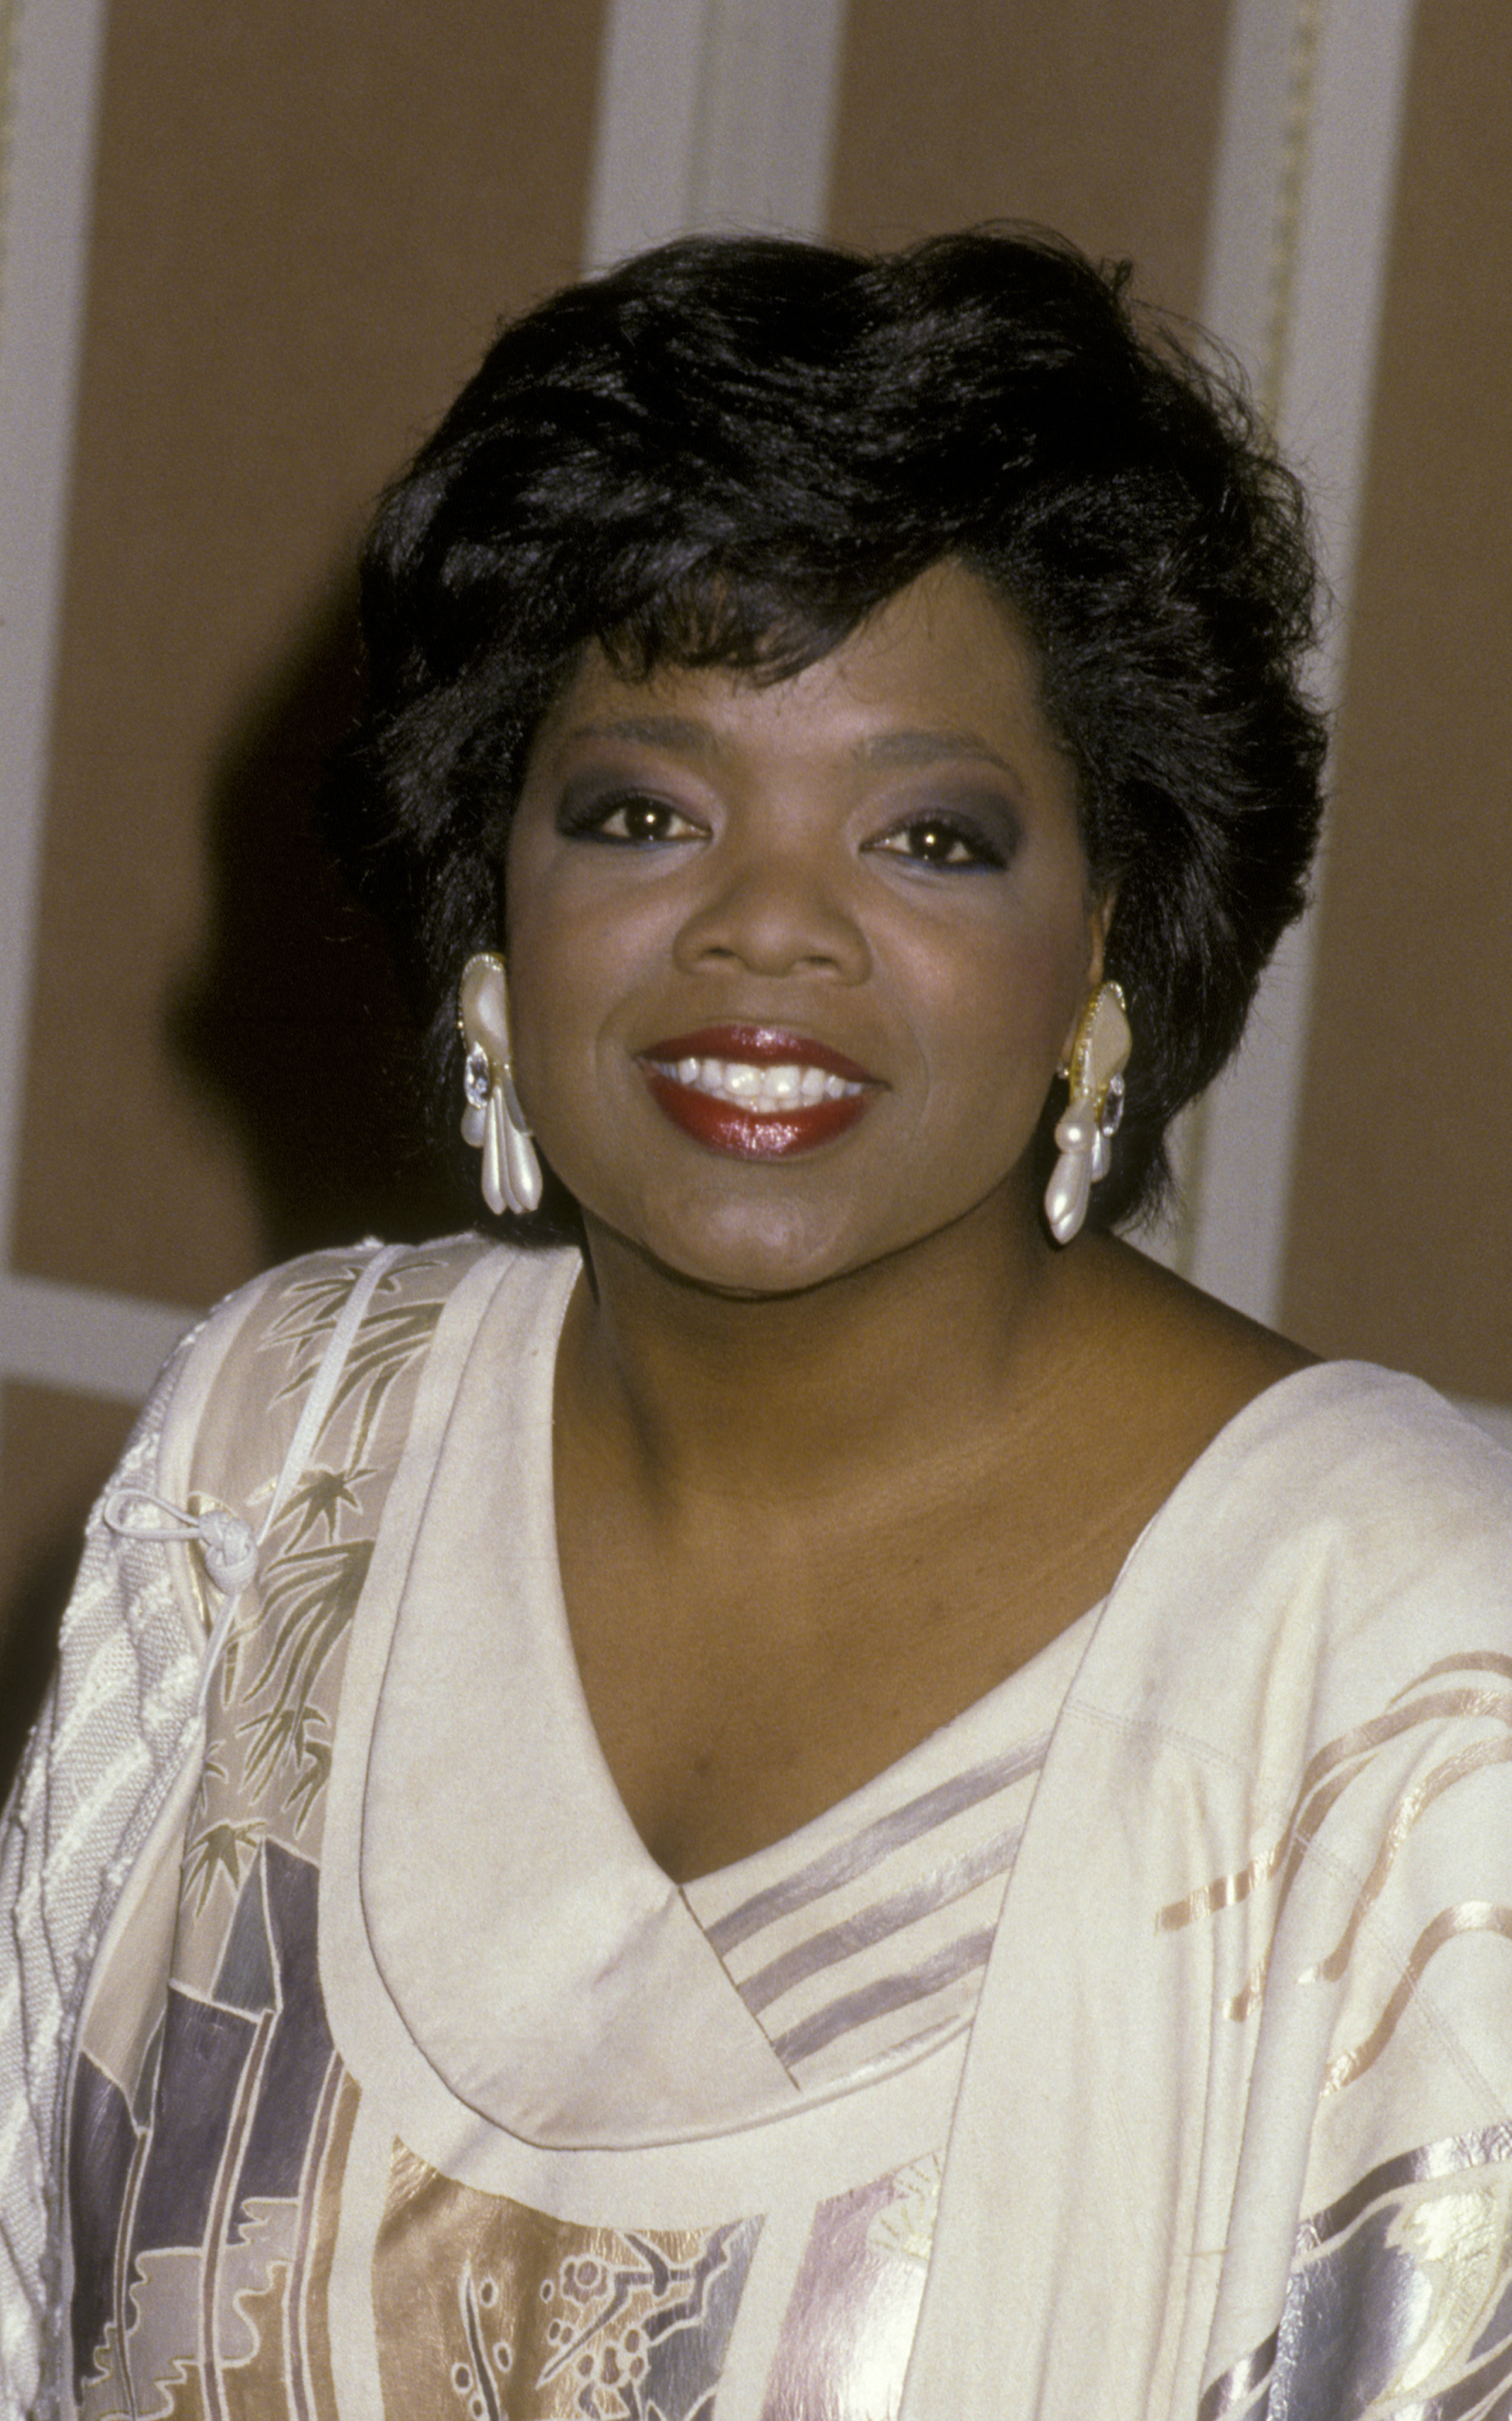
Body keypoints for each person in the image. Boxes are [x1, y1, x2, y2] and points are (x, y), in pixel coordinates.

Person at [4, 226, 1511, 2421]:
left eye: (925, 835)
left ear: (1105, 938)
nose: (767, 930)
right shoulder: (279, 1453)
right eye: (643, 809)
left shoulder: (1388, 1663)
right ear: (490, 898)